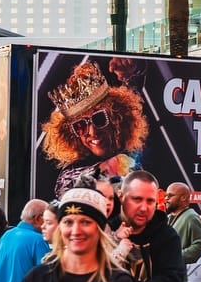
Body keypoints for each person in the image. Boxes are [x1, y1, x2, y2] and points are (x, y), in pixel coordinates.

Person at [41, 60, 148, 195]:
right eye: (80, 126)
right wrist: (112, 166)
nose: (93, 132)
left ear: (116, 119)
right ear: (72, 134)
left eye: (99, 118)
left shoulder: (126, 152)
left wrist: (131, 74)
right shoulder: (70, 175)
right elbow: (72, 187)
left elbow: (135, 95)